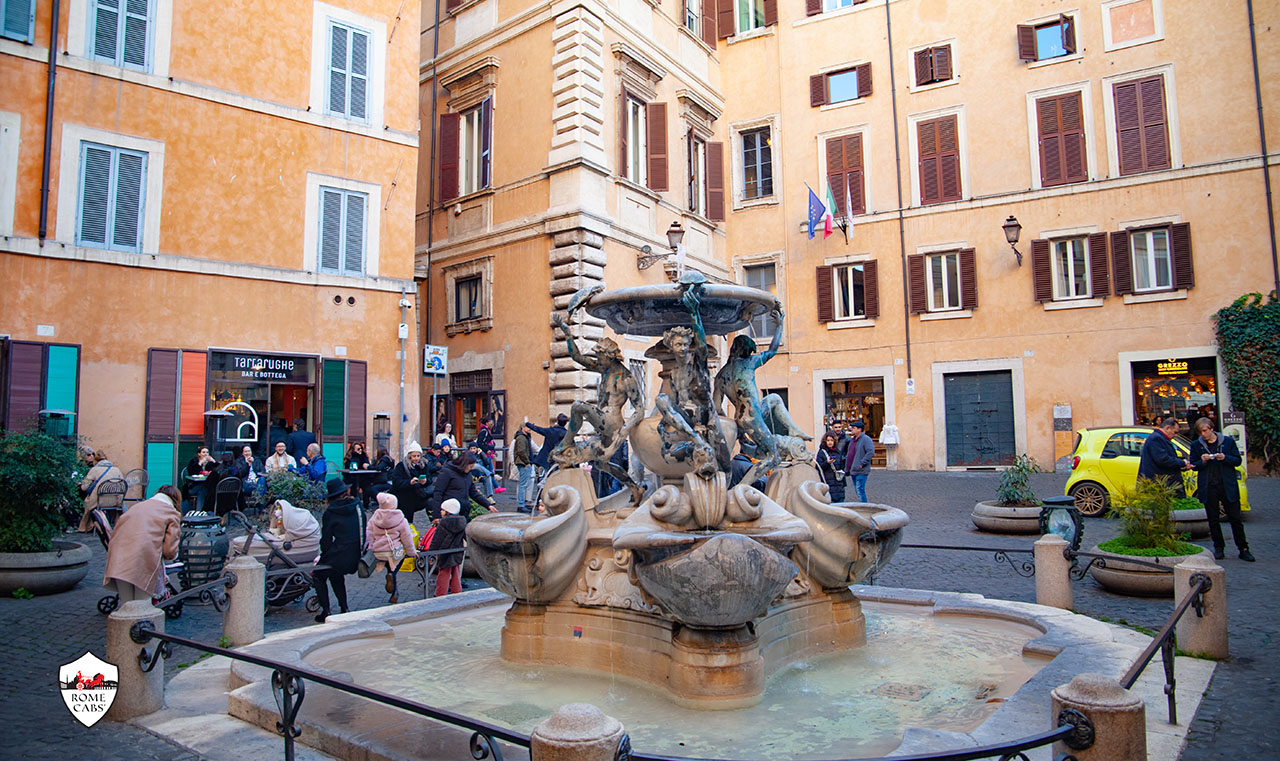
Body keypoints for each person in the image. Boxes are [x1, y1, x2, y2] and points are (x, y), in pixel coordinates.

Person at [103, 485, 182, 603]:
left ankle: (125, 621)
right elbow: (169, 551)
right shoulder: (171, 513)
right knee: (142, 606)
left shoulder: (136, 507)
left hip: (118, 556)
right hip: (144, 559)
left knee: (126, 606)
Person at [1189, 418, 1253, 561]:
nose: (1203, 434)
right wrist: (1203, 461)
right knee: (1213, 519)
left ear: (1212, 429)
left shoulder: (1227, 442)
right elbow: (1194, 465)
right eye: (1200, 432)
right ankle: (1219, 548)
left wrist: (1225, 458)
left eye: (1205, 431)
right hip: (1209, 486)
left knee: (1235, 519)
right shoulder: (1196, 445)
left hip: (1227, 485)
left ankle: (1243, 548)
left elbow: (1237, 460)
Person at [313, 478, 362, 622]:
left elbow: (326, 540)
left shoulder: (330, 513)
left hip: (339, 552)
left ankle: (326, 611)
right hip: (355, 553)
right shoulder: (357, 507)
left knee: (318, 575)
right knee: (334, 572)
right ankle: (344, 607)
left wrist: (325, 555)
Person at [366, 492, 415, 603]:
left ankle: (394, 588)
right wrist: (411, 552)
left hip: (378, 551)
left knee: (388, 564)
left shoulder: (375, 517)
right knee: (397, 561)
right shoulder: (401, 518)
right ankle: (392, 576)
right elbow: (406, 537)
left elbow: (369, 533)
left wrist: (369, 547)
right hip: (394, 552)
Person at [430, 451, 498, 521]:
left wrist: (487, 505)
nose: (471, 469)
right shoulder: (447, 472)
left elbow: (473, 493)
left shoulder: (467, 474)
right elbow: (438, 493)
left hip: (464, 513)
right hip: (450, 513)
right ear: (464, 464)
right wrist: (436, 515)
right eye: (470, 466)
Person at [1138, 417, 1191, 497]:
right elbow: (1163, 460)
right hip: (1160, 484)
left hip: (1163, 483)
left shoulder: (1159, 438)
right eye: (1175, 432)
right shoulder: (1156, 439)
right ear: (1168, 428)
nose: (1175, 435)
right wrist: (1182, 463)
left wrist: (1179, 465)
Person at [77, 450, 125, 531]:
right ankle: (117, 527)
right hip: (115, 501)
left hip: (99, 501)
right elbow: (123, 485)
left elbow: (84, 488)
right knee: (116, 510)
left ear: (96, 461)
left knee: (87, 503)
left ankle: (85, 527)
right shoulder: (116, 470)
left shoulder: (94, 470)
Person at [428, 498, 468, 597]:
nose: (440, 512)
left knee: (443, 573)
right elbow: (466, 537)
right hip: (457, 551)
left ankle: (440, 593)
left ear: (447, 511)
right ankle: (457, 592)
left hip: (444, 552)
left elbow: (437, 540)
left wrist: (430, 552)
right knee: (456, 572)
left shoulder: (443, 524)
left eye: (442, 510)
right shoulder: (462, 522)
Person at [390, 442, 433, 525]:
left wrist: (425, 481)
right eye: (414, 456)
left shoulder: (423, 465)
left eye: (418, 456)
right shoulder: (401, 466)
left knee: (430, 502)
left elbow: (429, 478)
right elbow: (396, 482)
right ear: (410, 456)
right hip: (404, 496)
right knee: (405, 520)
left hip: (418, 494)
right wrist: (409, 482)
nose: (416, 458)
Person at [527, 414, 570, 479]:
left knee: (545, 477)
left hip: (546, 459)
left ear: (557, 421)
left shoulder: (550, 431)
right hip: (560, 460)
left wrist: (528, 424)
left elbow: (538, 429)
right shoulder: (566, 434)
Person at [843, 420, 874, 503]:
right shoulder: (853, 440)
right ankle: (863, 504)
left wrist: (862, 463)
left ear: (859, 429)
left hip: (861, 470)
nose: (852, 430)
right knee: (857, 490)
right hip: (853, 469)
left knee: (860, 490)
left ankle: (864, 506)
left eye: (854, 428)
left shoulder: (866, 439)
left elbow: (870, 452)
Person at [184, 445, 218, 512]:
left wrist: (214, 461)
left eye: (207, 452)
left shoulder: (210, 463)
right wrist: (200, 463)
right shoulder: (194, 461)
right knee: (202, 490)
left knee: (203, 490)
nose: (206, 454)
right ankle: (200, 511)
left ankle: (199, 511)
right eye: (203, 452)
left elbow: (218, 470)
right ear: (199, 454)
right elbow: (191, 472)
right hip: (193, 486)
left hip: (206, 485)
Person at [816, 433, 847, 502]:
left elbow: (841, 467)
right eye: (828, 440)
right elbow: (818, 467)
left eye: (832, 440)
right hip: (828, 482)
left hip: (838, 483)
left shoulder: (837, 452)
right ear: (825, 442)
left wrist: (843, 483)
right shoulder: (822, 452)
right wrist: (827, 463)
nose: (830, 442)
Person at [344, 441, 373, 507]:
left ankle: (366, 505)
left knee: (366, 488)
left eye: (361, 448)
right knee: (353, 488)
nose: (360, 450)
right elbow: (351, 465)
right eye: (358, 449)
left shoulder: (364, 456)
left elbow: (366, 464)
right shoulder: (350, 457)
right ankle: (354, 504)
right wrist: (356, 455)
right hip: (352, 477)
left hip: (363, 477)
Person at [512, 425, 534, 513]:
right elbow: (521, 451)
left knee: (523, 484)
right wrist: (527, 461)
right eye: (527, 427)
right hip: (523, 463)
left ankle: (522, 504)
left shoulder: (523, 437)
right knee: (523, 485)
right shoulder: (521, 438)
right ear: (522, 428)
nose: (530, 428)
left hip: (523, 462)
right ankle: (521, 505)